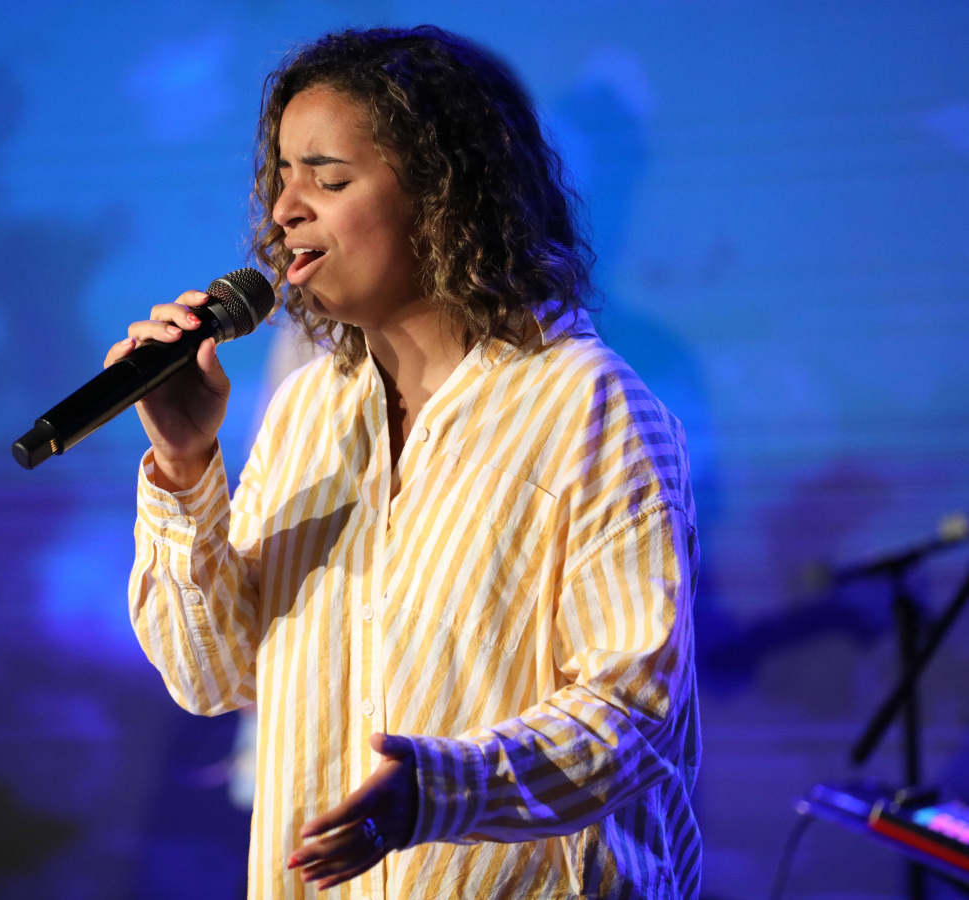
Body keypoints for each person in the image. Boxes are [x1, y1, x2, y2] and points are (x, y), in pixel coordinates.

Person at [112, 25, 700, 900]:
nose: (285, 210)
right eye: (282, 176)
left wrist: (441, 791)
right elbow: (214, 676)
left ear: (442, 194)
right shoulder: (309, 411)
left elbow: (634, 713)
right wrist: (185, 462)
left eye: (329, 179)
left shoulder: (585, 405)